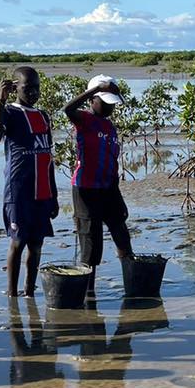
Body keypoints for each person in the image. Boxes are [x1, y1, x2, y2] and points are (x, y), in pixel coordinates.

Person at [0, 66, 58, 297]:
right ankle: (12, 293)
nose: (33, 92)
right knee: (17, 243)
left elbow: (49, 158)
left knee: (37, 245)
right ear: (15, 87)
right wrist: (0, 101)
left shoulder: (43, 115)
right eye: (28, 88)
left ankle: (29, 291)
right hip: (18, 191)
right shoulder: (10, 112)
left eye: (36, 88)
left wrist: (54, 196)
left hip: (42, 192)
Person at [63, 75, 133, 295]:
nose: (110, 108)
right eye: (105, 102)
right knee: (91, 246)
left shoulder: (110, 127)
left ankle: (132, 285)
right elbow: (67, 109)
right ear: (93, 100)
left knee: (122, 235)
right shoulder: (83, 119)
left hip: (108, 189)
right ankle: (88, 295)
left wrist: (118, 197)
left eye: (113, 104)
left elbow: (112, 163)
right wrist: (94, 89)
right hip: (85, 189)